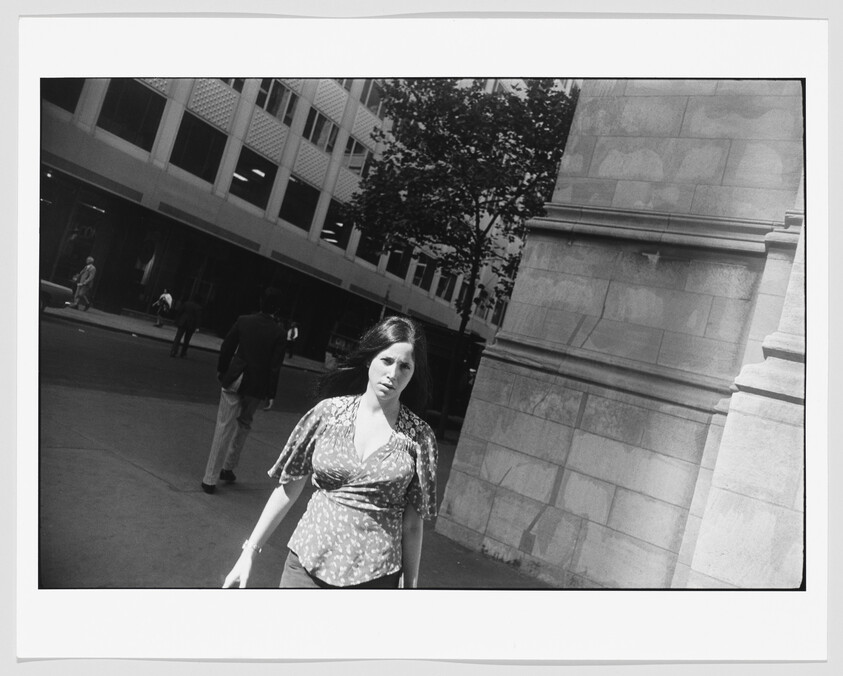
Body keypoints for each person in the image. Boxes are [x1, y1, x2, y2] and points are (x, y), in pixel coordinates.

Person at [221, 315, 437, 589]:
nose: (393, 374)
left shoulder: (419, 437)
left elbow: (413, 524)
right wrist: (249, 551)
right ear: (369, 359)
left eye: (405, 366)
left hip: (375, 577)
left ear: (413, 373)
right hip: (306, 567)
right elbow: (288, 488)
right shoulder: (328, 414)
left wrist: (411, 588)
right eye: (387, 360)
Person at [201, 288, 287, 494]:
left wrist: (222, 371)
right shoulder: (279, 333)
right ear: (277, 309)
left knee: (223, 426)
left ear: (260, 302)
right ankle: (228, 467)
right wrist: (271, 394)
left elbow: (227, 348)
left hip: (235, 378)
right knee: (244, 424)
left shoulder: (243, 321)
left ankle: (209, 479)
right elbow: (275, 367)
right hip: (256, 387)